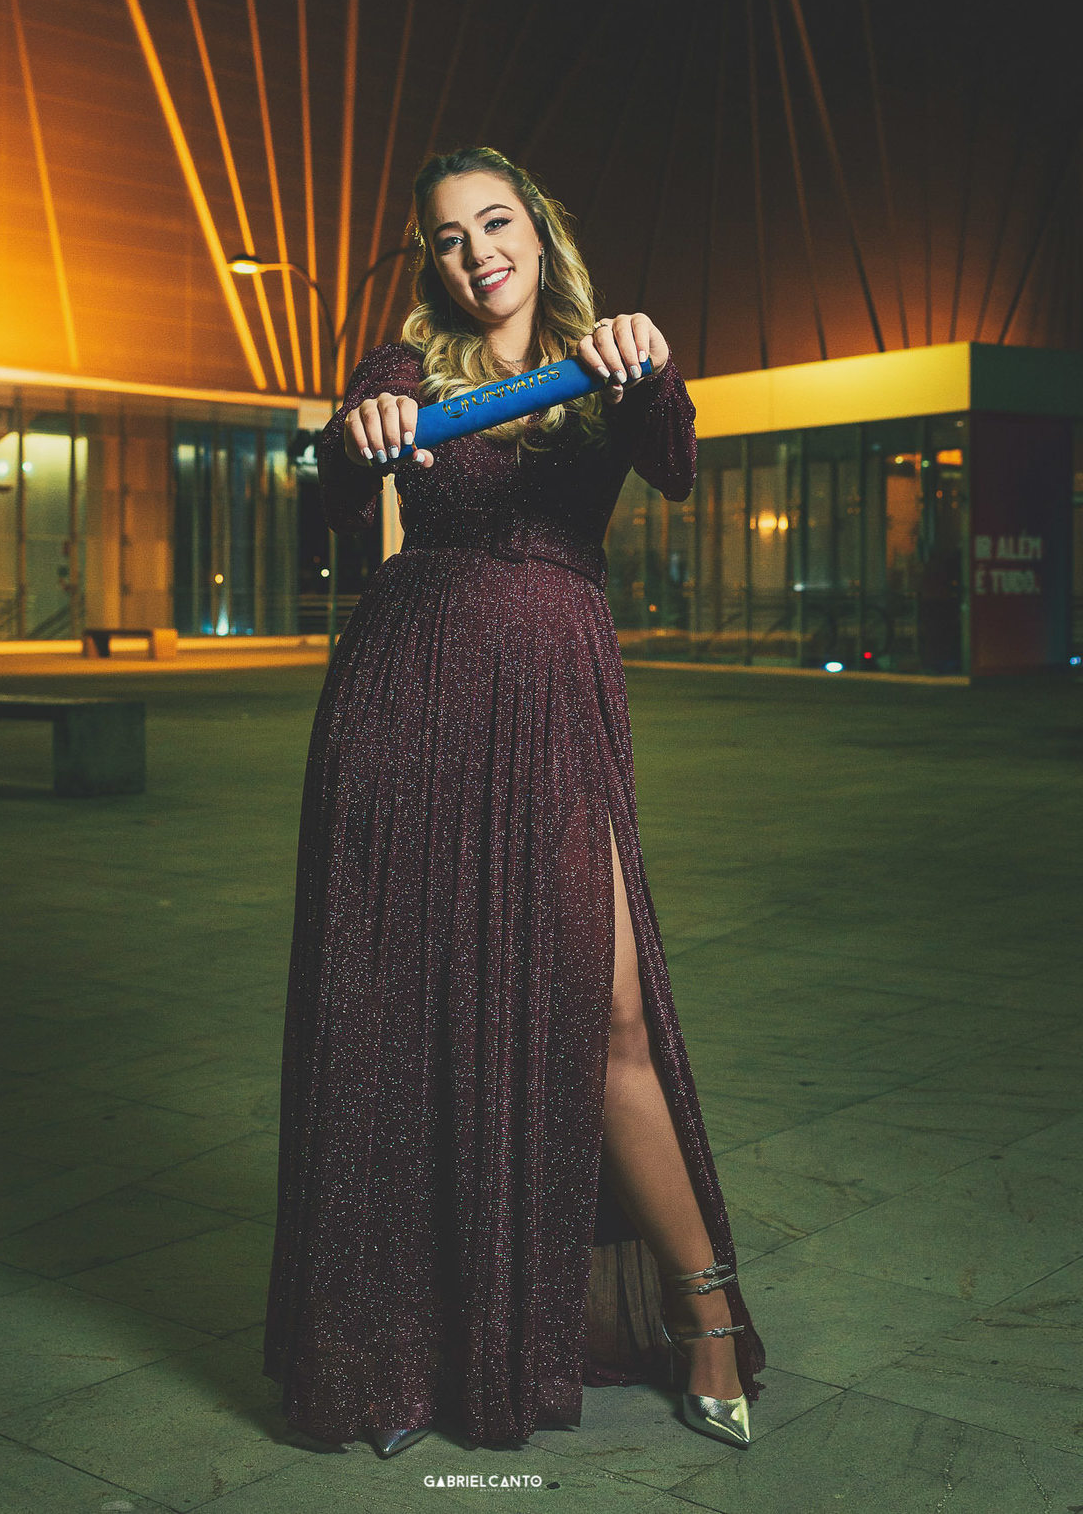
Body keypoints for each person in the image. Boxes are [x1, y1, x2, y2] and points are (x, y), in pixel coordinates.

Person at [262, 146, 765, 1458]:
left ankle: (706, 1314)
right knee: (396, 1026)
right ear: (430, 260)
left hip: (550, 705)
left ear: (539, 233)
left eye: (496, 223)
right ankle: (390, 1353)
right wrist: (357, 433)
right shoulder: (406, 370)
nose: (476, 250)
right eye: (448, 236)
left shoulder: (602, 360)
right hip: (403, 705)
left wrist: (649, 361)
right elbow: (333, 492)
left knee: (613, 1013)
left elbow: (675, 462)